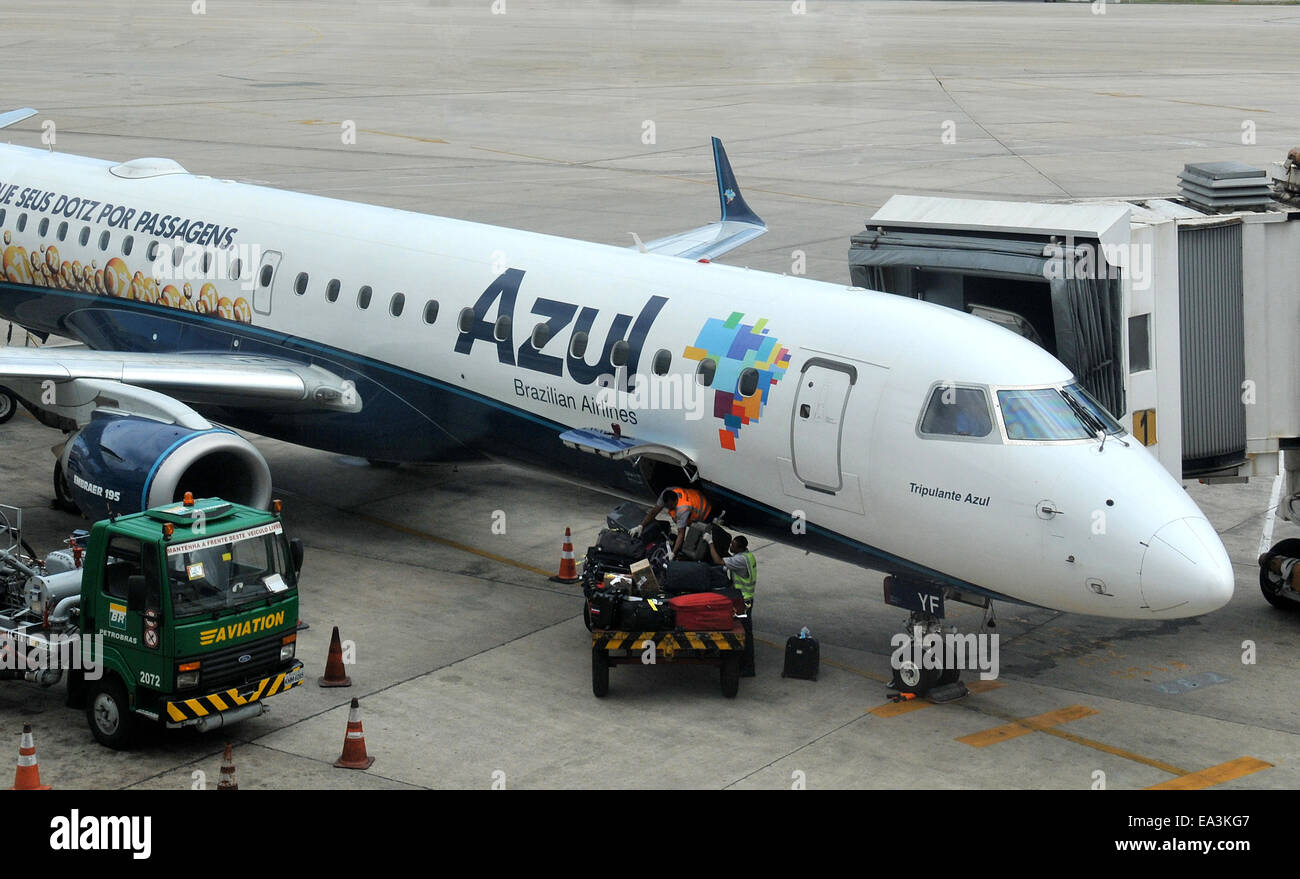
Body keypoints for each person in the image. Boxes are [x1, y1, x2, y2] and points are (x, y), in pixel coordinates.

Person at [706, 531, 756, 677]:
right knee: (744, 631)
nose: (730, 546)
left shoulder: (740, 560)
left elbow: (718, 560)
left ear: (740, 548)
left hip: (744, 600)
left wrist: (710, 542)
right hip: (744, 597)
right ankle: (742, 663)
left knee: (745, 633)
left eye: (733, 545)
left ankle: (748, 667)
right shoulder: (747, 556)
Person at [634, 486, 713, 558]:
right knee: (677, 519)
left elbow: (681, 534)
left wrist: (673, 553)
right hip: (695, 495)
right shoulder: (666, 493)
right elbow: (654, 512)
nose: (668, 508)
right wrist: (641, 526)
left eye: (670, 506)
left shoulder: (683, 509)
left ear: (675, 501)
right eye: (666, 506)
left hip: (704, 511)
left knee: (700, 537)